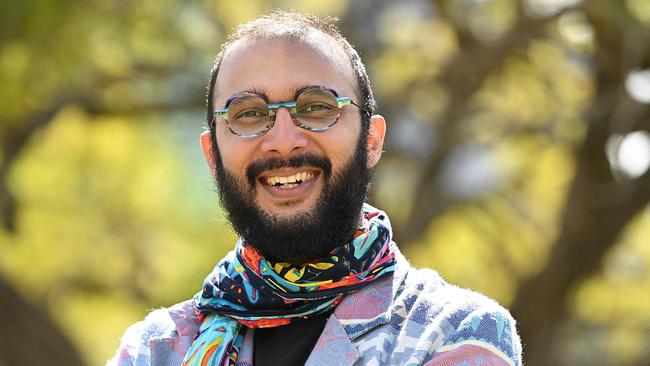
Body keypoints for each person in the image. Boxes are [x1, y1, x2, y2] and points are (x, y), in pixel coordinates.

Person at [109, 10, 522, 366]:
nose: (284, 139)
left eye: (317, 107)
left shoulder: (455, 333)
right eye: (249, 114)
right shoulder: (157, 348)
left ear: (372, 141)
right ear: (212, 154)